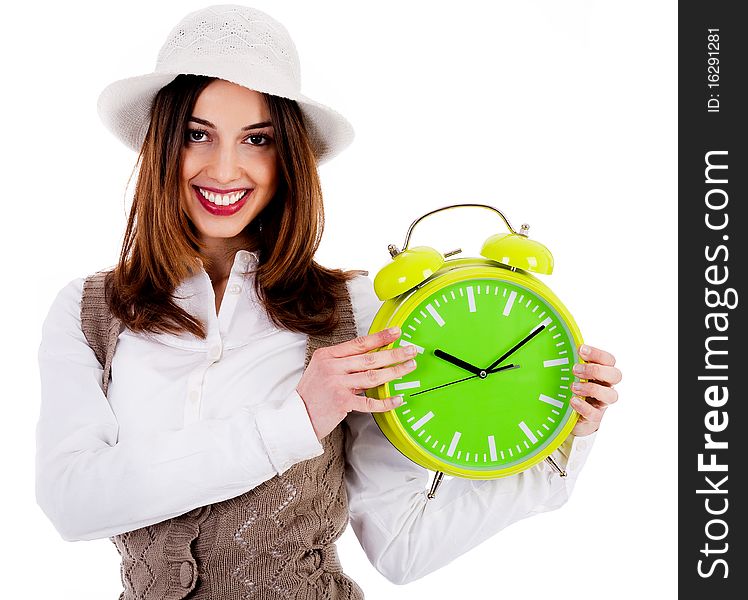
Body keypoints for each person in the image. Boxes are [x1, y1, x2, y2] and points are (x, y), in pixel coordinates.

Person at [35, 4, 622, 599]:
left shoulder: (353, 312)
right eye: (196, 133)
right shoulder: (91, 312)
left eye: (257, 139)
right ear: (162, 143)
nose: (225, 167)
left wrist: (558, 443)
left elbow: (402, 545)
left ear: (288, 156)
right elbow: (73, 502)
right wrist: (296, 420)